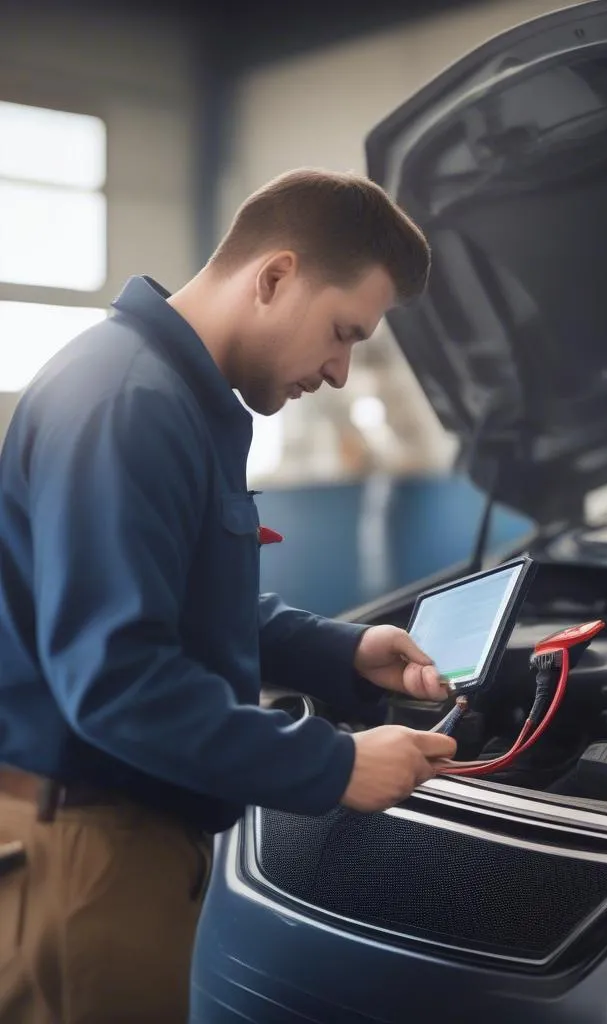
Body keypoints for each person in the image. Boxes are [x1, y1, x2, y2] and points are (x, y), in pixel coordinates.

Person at [0, 168, 458, 1024]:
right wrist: (334, 764)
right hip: (89, 846)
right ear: (274, 277)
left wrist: (342, 650)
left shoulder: (169, 393)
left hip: (119, 833)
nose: (339, 370)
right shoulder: (129, 402)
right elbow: (118, 680)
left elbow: (176, 604)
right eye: (341, 332)